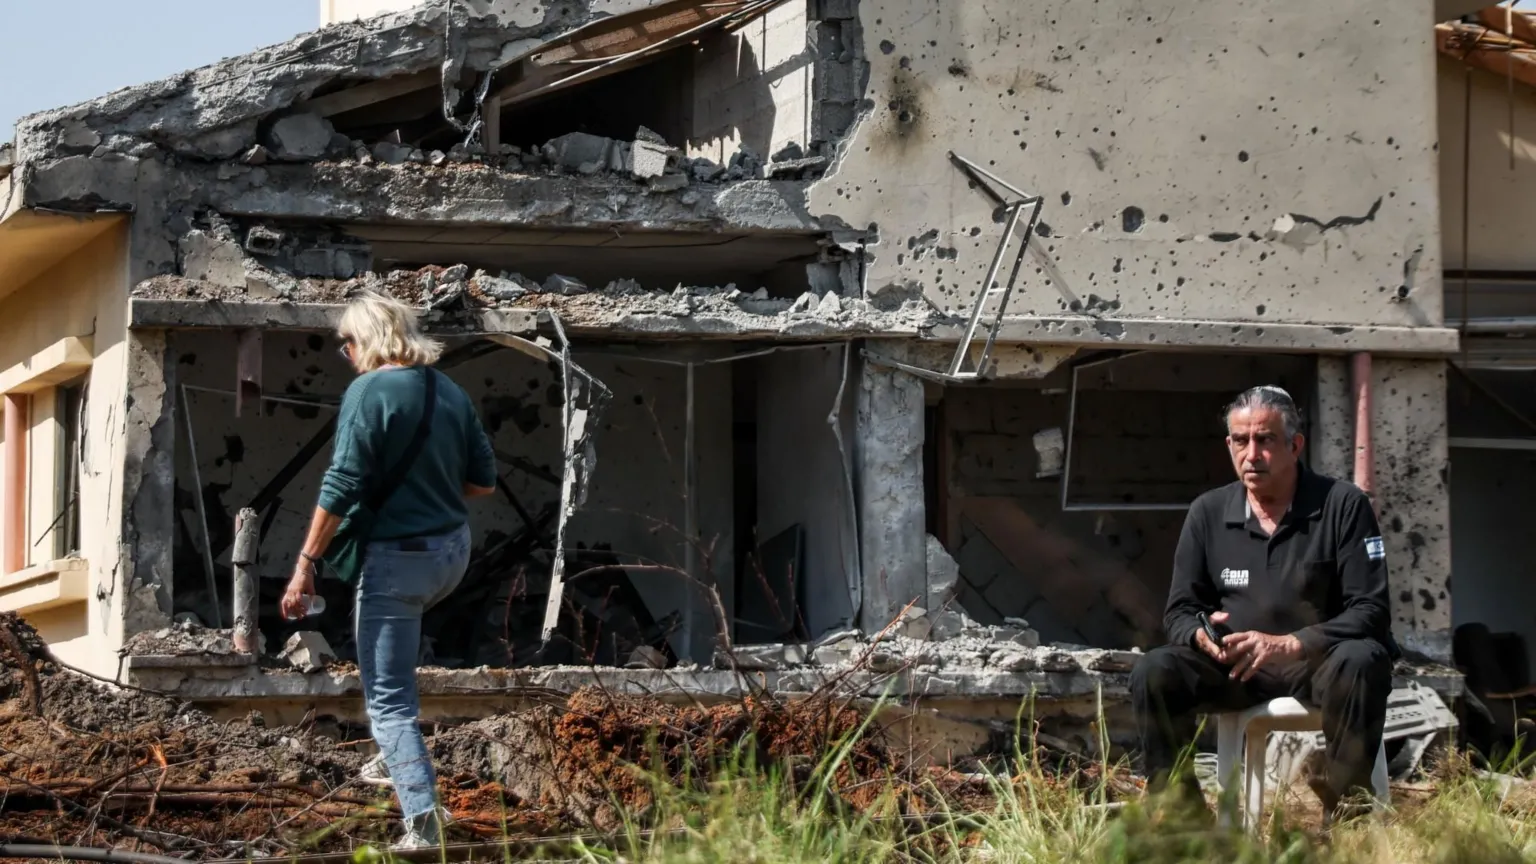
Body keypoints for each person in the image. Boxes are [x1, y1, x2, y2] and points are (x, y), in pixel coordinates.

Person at [282, 290, 497, 850]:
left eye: (347, 344)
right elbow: (481, 483)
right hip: (451, 556)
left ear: (368, 341)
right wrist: (428, 481)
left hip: (398, 564)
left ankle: (424, 825)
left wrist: (306, 564)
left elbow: (342, 482)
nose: (346, 355)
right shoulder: (449, 390)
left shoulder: (368, 390)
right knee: (396, 674)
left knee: (388, 699)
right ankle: (394, 758)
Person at [1129, 385, 1394, 822]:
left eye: (1265, 440)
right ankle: (1183, 823)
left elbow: (1371, 610)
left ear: (1295, 445)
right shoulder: (1208, 512)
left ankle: (1350, 820)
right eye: (1240, 440)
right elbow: (1178, 610)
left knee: (1363, 659)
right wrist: (1199, 636)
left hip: (1319, 665)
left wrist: (1292, 643)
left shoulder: (1342, 505)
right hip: (1237, 670)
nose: (1251, 454)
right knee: (1154, 671)